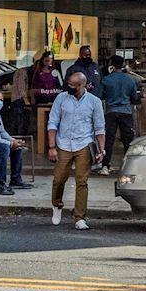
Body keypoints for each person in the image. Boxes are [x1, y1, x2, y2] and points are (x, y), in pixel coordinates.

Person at [47, 67, 106, 229]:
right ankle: (57, 204)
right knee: (59, 179)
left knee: (82, 181)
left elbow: (99, 127)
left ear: (82, 85)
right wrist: (51, 146)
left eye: (73, 85)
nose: (69, 87)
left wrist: (101, 150)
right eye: (69, 84)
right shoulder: (61, 98)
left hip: (84, 143)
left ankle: (80, 217)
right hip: (64, 143)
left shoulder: (94, 101)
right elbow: (53, 122)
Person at [95, 56, 141, 175]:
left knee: (109, 139)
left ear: (112, 65)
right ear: (123, 65)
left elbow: (100, 95)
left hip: (111, 111)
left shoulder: (106, 79)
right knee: (128, 140)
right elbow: (134, 97)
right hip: (126, 111)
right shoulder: (130, 80)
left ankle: (105, 166)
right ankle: (128, 167)